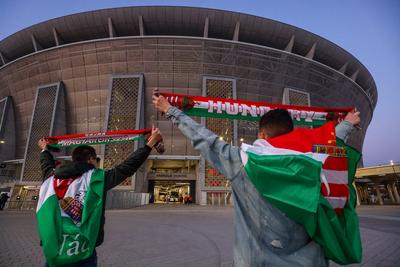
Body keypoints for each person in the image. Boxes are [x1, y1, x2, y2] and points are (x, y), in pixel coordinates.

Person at [153, 93, 360, 266]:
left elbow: (207, 140)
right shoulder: (313, 163)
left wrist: (170, 110)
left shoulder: (245, 163)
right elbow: (333, 142)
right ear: (292, 134)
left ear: (262, 134)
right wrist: (348, 123)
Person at [37, 127, 163, 267]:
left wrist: (44, 148)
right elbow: (126, 168)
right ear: (91, 159)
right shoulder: (96, 178)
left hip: (54, 247)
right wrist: (149, 145)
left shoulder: (51, 177)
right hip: (82, 248)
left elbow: (45, 163)